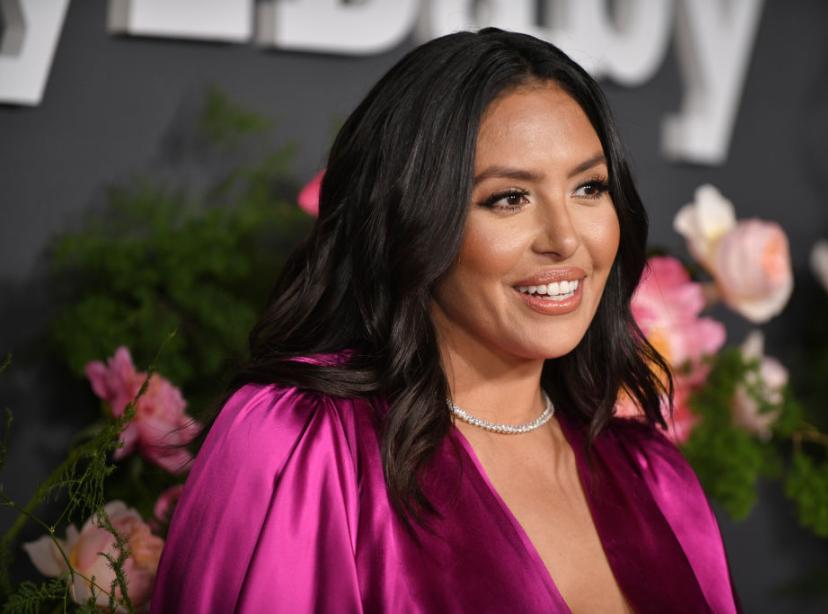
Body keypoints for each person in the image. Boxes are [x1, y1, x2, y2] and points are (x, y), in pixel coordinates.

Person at [151, 27, 741, 613]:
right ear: (410, 218)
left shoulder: (654, 477)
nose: (565, 239)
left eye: (589, 187)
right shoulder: (298, 447)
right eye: (509, 198)